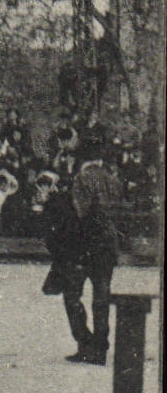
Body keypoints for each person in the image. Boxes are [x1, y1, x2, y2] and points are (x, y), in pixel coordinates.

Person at [62, 134, 126, 365]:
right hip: (108, 247)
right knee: (101, 296)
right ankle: (99, 349)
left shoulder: (82, 178)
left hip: (86, 245)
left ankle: (84, 342)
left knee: (71, 295)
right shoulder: (113, 179)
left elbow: (82, 212)